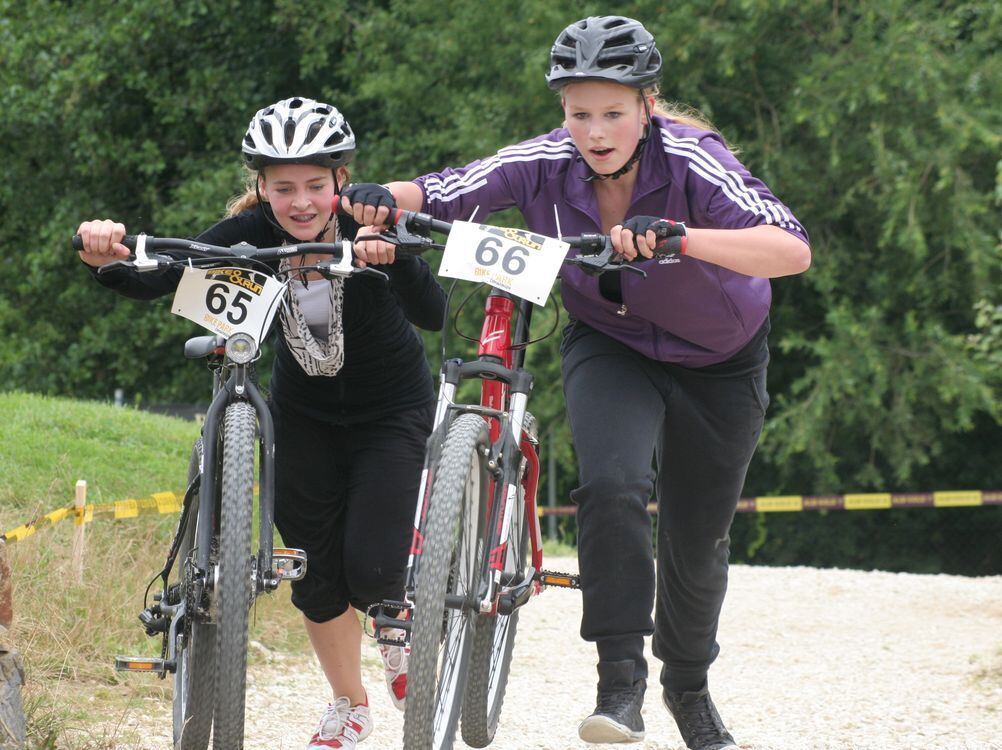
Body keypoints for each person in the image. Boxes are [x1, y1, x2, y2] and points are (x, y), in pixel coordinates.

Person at [340, 15, 810, 750]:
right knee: (613, 485)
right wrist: (380, 198)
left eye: (613, 113)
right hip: (612, 343)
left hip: (721, 359)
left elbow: (790, 247)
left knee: (695, 539)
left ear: (647, 106)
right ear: (562, 109)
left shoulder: (694, 158)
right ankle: (618, 684)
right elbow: (446, 188)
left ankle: (688, 688)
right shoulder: (544, 161)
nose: (594, 131)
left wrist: (685, 238)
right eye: (579, 112)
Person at [76, 96, 447, 750]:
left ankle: (394, 629)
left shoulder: (369, 224)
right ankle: (349, 704)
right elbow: (159, 276)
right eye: (283, 188)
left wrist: (397, 254)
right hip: (304, 415)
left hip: (391, 410)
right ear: (261, 187)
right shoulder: (247, 236)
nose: (301, 202)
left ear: (341, 180)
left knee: (372, 568)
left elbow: (435, 314)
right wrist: (103, 252)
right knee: (315, 574)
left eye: (315, 185)